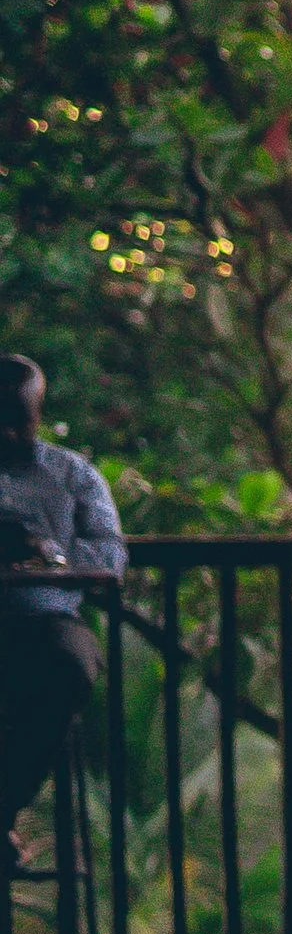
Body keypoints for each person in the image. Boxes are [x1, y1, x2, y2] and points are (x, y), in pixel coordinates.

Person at [0, 356, 124, 877]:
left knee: (67, 665)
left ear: (37, 413)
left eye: (17, 420)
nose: (7, 432)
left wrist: (48, 553)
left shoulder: (72, 475)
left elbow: (110, 559)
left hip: (45, 619)